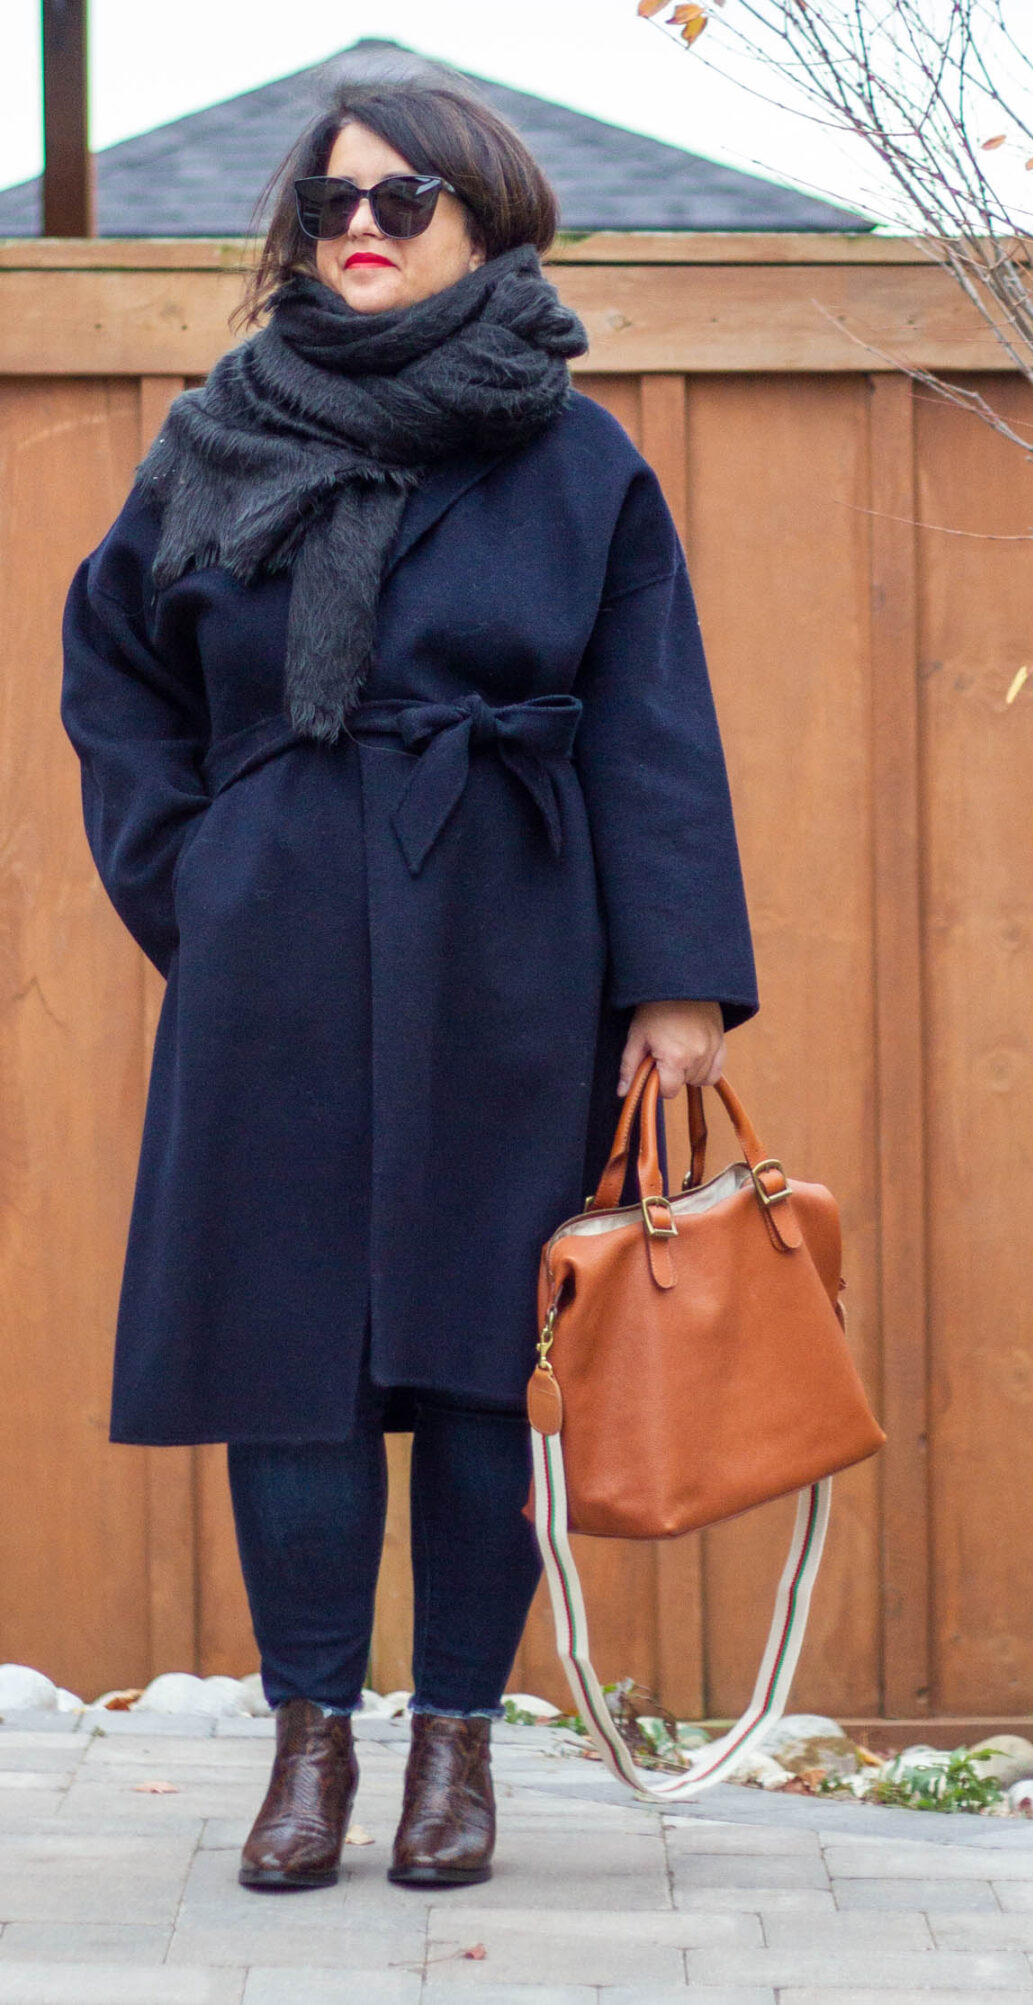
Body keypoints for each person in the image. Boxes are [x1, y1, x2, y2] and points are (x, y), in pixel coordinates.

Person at [59, 79, 757, 1894]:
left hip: (509, 942)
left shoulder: (578, 455)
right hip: (276, 942)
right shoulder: (216, 438)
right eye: (330, 199)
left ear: (487, 215)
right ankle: (309, 1747)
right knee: (287, 1357)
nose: (358, 224)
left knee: (479, 1357)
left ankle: (458, 1741)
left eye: (404, 195)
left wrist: (675, 980)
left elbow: (654, 721)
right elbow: (117, 677)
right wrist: (197, 880)